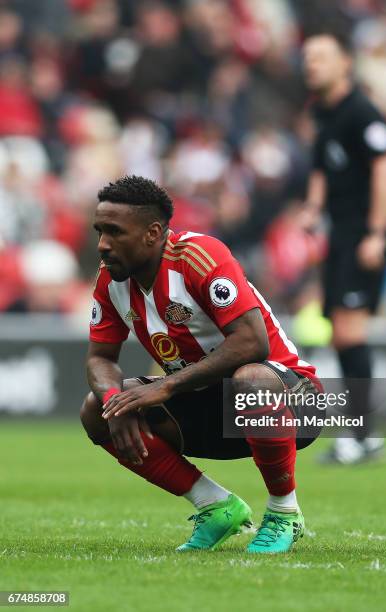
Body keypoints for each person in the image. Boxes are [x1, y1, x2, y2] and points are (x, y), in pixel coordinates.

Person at [80, 175, 322, 553]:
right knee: (98, 410)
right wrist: (115, 400)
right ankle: (215, 506)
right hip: (206, 405)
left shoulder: (197, 256)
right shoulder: (111, 280)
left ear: (153, 232)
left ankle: (284, 512)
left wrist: (166, 386)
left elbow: (252, 342)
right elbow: (100, 358)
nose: (103, 245)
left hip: (293, 401)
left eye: (114, 232)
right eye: (99, 231)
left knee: (252, 379)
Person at [303, 31, 386, 464]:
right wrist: (312, 208)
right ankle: (363, 436)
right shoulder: (323, 114)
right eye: (308, 58)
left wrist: (377, 232)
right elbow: (322, 168)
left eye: (322, 57)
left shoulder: (361, 112)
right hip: (340, 234)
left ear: (345, 63)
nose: (312, 65)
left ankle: (363, 436)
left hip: (363, 233)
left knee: (348, 332)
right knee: (340, 334)